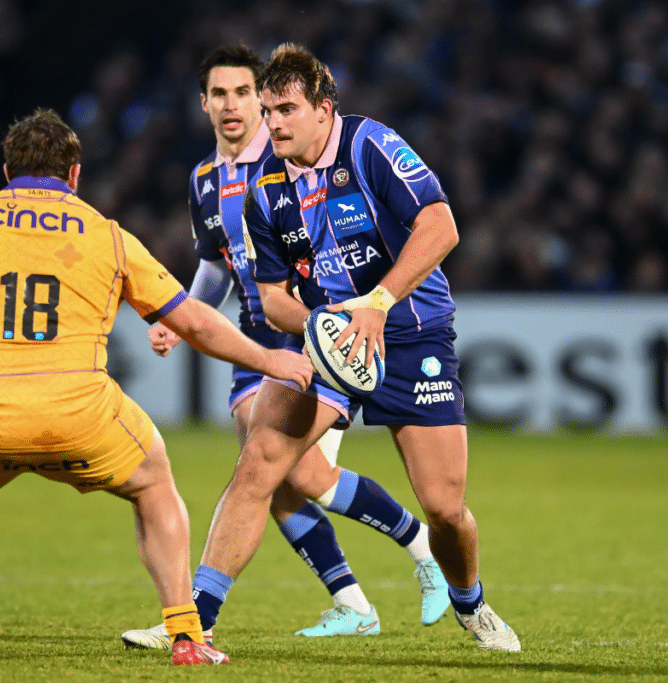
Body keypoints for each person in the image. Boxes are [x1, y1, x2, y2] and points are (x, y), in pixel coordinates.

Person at [0, 108, 316, 666]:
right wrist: (270, 357)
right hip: (82, 415)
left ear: (7, 172)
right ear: (74, 175)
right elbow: (193, 321)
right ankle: (188, 638)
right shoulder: (106, 234)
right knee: (154, 483)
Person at [184, 44, 521, 652]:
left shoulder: (370, 145)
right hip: (328, 348)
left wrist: (377, 304)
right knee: (260, 464)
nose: (274, 122)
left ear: (323, 109)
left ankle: (469, 601)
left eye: (285, 109)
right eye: (269, 110)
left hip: (411, 331)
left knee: (445, 509)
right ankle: (192, 623)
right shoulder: (266, 190)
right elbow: (270, 296)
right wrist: (326, 323)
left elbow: (441, 226)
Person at [121, 45, 449, 650]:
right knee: (278, 478)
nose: (235, 107)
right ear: (204, 103)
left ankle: (403, 553)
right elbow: (216, 268)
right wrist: (182, 315)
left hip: (312, 332)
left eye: (245, 94)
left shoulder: (286, 161)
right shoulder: (203, 180)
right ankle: (358, 593)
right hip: (258, 332)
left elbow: (420, 223)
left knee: (277, 470)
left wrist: (354, 311)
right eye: (219, 94)